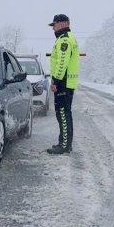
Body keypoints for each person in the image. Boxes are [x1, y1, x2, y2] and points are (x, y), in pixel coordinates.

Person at [47, 14, 80, 154]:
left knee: (62, 114)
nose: (53, 28)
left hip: (63, 83)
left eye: (54, 24)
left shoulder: (64, 40)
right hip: (67, 83)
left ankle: (64, 145)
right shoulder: (68, 38)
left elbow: (61, 63)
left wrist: (55, 81)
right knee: (65, 114)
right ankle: (65, 143)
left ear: (62, 24)